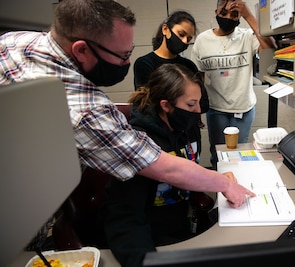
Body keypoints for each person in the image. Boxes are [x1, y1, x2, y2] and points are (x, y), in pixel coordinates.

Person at [0, 0, 254, 253]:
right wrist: (224, 184)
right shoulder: (85, 110)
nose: (127, 62)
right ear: (81, 50)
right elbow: (156, 168)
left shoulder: (16, 40)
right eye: (122, 56)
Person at [105, 63, 214, 267]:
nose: (198, 111)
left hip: (182, 227)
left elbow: (190, 171)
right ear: (166, 105)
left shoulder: (185, 127)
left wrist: (217, 180)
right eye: (191, 105)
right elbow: (126, 219)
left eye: (199, 103)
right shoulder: (137, 145)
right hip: (153, 239)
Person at [191, 0, 276, 169]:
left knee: (237, 156)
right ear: (216, 12)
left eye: (234, 14)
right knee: (217, 155)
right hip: (216, 109)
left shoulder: (246, 36)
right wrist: (197, 109)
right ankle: (219, 193)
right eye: (224, 13)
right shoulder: (202, 40)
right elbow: (197, 77)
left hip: (243, 109)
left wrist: (248, 15)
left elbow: (270, 51)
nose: (228, 17)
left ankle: (234, 191)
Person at [134, 10, 209, 114]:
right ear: (165, 29)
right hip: (159, 129)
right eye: (181, 34)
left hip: (189, 128)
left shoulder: (189, 66)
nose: (184, 41)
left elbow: (204, 104)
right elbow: (147, 105)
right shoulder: (145, 64)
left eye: (189, 38)